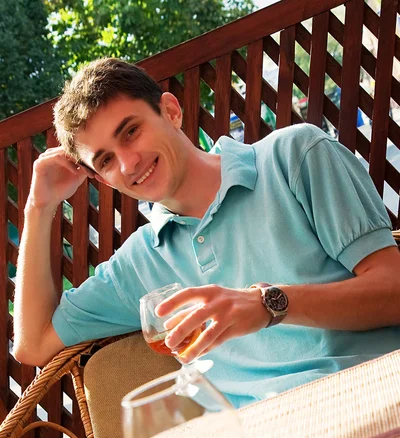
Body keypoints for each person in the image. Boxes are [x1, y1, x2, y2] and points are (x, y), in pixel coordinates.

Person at [13, 58, 400, 408]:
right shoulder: (139, 262)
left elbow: (394, 291)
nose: (129, 163)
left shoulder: (294, 155)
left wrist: (269, 306)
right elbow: (33, 345)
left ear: (170, 111)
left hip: (372, 397)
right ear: (102, 180)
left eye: (130, 131)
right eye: (106, 160)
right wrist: (39, 207)